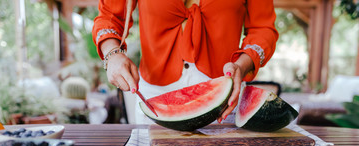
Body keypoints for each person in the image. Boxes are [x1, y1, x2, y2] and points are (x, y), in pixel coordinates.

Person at [92, 0, 278, 124]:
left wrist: (241, 65)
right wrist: (112, 54)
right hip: (155, 98)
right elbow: (110, 16)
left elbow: (263, 29)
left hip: (223, 103)